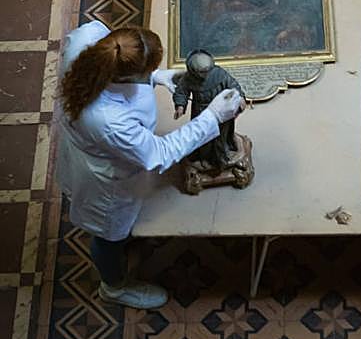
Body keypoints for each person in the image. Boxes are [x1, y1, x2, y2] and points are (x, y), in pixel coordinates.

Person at [56, 21, 244, 309]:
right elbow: (159, 152)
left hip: (95, 147)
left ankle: (121, 250)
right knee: (108, 236)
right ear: (130, 75)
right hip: (107, 182)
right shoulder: (108, 121)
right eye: (147, 70)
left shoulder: (92, 39)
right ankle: (114, 286)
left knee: (120, 229)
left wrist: (157, 77)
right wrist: (213, 117)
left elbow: (123, 68)